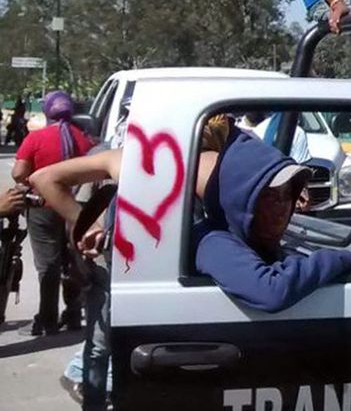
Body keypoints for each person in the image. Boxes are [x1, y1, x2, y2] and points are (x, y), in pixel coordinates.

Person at [31, 115, 230, 411]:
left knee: (105, 349)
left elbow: (43, 178)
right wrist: (92, 225)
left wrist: (90, 224)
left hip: (123, 274)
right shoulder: (209, 162)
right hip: (162, 278)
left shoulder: (124, 159)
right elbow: (42, 179)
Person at [194, 126, 351, 312]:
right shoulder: (213, 243)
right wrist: (339, 260)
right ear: (240, 201)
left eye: (287, 195)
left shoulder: (254, 240)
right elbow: (271, 292)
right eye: (270, 198)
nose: (282, 206)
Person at [12, 90, 92, 335]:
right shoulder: (84, 140)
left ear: (47, 110)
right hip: (76, 209)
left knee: (48, 265)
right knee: (74, 261)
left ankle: (47, 319)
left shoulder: (37, 138)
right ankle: (74, 314)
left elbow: (17, 173)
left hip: (42, 208)